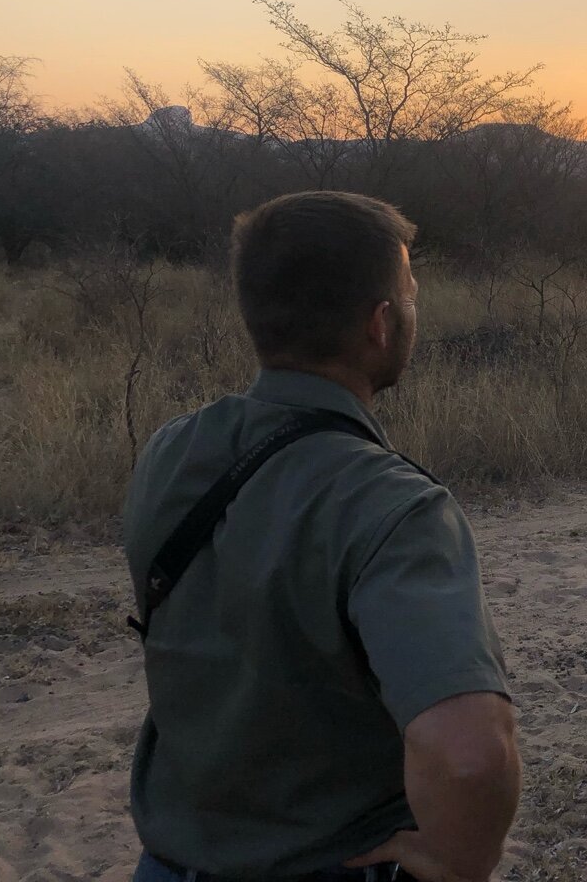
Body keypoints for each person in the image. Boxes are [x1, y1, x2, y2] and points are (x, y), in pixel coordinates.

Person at [123, 191, 520, 882]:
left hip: (167, 866)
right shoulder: (394, 507)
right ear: (381, 323)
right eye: (412, 294)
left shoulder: (168, 453)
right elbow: (469, 754)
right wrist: (460, 861)